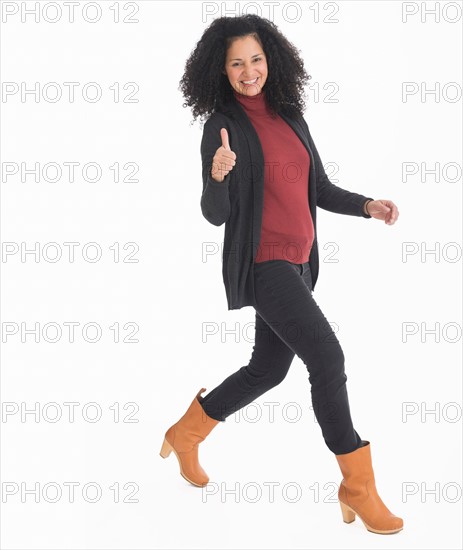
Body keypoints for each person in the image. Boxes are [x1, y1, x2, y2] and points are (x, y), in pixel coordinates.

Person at [160, 14, 403, 535]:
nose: (249, 71)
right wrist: (217, 175)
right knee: (327, 356)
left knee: (268, 370)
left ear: (270, 59)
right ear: (220, 71)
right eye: (236, 63)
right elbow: (215, 213)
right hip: (264, 263)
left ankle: (187, 431)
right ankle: (357, 484)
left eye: (256, 59)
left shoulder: (291, 116)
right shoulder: (222, 126)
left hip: (299, 265)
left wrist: (367, 205)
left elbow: (319, 188)